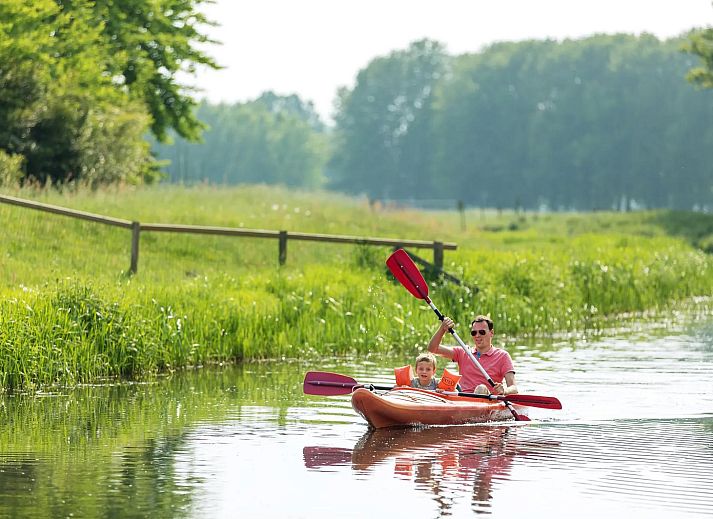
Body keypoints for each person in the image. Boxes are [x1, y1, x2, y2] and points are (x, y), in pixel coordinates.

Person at [428, 315, 518, 395]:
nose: (477, 335)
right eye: (474, 333)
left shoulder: (502, 356)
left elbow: (514, 388)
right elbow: (432, 349)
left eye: (482, 332)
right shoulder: (464, 351)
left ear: (491, 333)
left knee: (481, 388)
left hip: (487, 400)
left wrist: (504, 391)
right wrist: (442, 329)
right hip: (462, 400)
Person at [394, 352, 461, 391]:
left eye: (428, 369)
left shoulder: (437, 383)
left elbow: (455, 391)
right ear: (416, 370)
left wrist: (442, 391)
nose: (424, 372)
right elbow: (395, 387)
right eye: (421, 369)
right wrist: (403, 388)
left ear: (433, 371)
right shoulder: (412, 383)